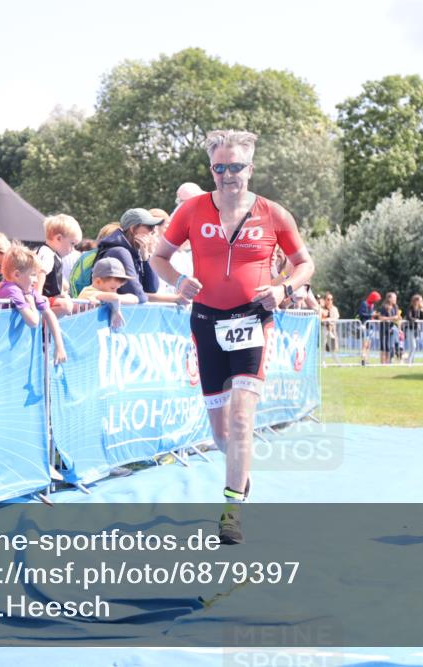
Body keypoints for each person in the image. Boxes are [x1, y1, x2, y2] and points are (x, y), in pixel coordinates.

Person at [150, 129, 314, 544]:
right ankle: (241, 478)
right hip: (206, 322)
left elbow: (304, 264)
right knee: (222, 434)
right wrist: (179, 281)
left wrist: (283, 289)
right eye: (219, 167)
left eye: (235, 167)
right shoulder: (192, 210)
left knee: (243, 419)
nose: (227, 175)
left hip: (253, 321)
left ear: (250, 169)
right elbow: (159, 257)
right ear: (211, 170)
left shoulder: (273, 213)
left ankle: (230, 509)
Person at [0, 243, 67, 364]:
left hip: (13, 349)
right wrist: (32, 305)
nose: (36, 280)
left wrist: (59, 346)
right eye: (33, 275)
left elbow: (49, 314)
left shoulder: (29, 291)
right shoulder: (11, 289)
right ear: (17, 275)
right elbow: (33, 322)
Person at [97, 208, 179, 304]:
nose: (152, 231)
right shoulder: (120, 252)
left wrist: (145, 259)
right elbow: (138, 296)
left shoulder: (132, 252)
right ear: (132, 229)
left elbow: (152, 288)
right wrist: (174, 299)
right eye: (149, 227)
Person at [36, 214, 82, 317]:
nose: (73, 249)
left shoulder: (55, 255)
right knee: (65, 306)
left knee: (69, 303)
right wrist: (37, 295)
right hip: (42, 299)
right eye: (72, 243)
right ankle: (40, 324)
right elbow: (41, 273)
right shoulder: (47, 253)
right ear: (59, 238)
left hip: (48, 299)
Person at [77, 257, 140, 330]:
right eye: (112, 288)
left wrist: (116, 300)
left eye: (117, 288)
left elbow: (135, 299)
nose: (115, 291)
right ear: (98, 281)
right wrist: (116, 310)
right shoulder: (89, 292)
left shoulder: (109, 295)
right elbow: (115, 297)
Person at [378, 291, 401, 364]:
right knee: (383, 346)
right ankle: (382, 363)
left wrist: (399, 327)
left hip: (392, 328)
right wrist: (392, 318)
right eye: (394, 298)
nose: (395, 299)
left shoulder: (395, 306)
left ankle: (388, 362)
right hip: (384, 328)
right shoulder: (384, 307)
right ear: (389, 298)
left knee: (390, 346)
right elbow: (381, 318)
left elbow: (398, 317)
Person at [358, 290, 380, 366]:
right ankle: (363, 359)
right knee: (365, 344)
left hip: (370, 326)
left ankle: (366, 359)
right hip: (365, 325)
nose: (376, 301)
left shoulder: (372, 305)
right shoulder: (364, 303)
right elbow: (361, 314)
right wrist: (371, 315)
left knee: (368, 344)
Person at [320, 292, 340, 356]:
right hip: (324, 331)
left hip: (332, 331)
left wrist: (329, 320)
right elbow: (319, 319)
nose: (330, 301)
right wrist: (325, 320)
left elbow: (336, 318)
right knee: (323, 347)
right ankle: (323, 362)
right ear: (325, 300)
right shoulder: (321, 309)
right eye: (328, 299)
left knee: (334, 348)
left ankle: (337, 362)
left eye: (331, 299)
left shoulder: (334, 309)